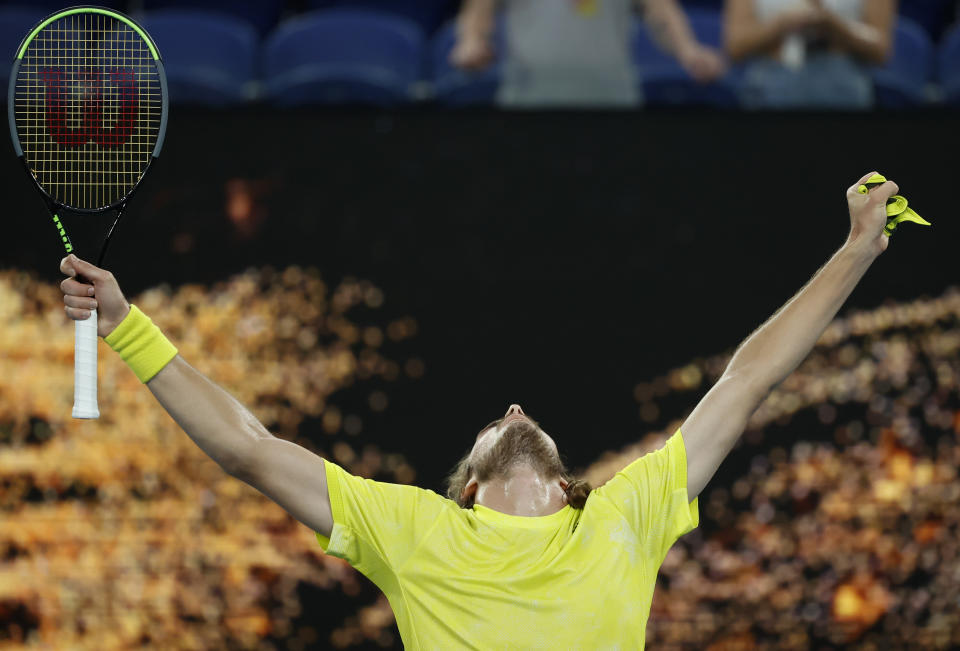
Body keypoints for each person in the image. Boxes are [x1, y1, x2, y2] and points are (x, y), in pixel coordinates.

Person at [59, 171, 899, 648]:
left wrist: (858, 249)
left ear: (571, 485)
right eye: (497, 418)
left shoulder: (626, 518)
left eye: (513, 413)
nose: (514, 404)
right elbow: (249, 447)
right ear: (462, 491)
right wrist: (127, 328)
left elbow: (747, 378)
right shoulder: (416, 533)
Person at [451, 0, 727, 107]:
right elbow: (478, 11)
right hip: (530, 101)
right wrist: (471, 41)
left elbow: (660, 11)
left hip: (609, 100)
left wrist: (688, 50)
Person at [724, 0, 897, 110]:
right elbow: (735, 47)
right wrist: (780, 25)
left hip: (843, 82)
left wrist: (833, 24)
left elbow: (881, 50)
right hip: (772, 81)